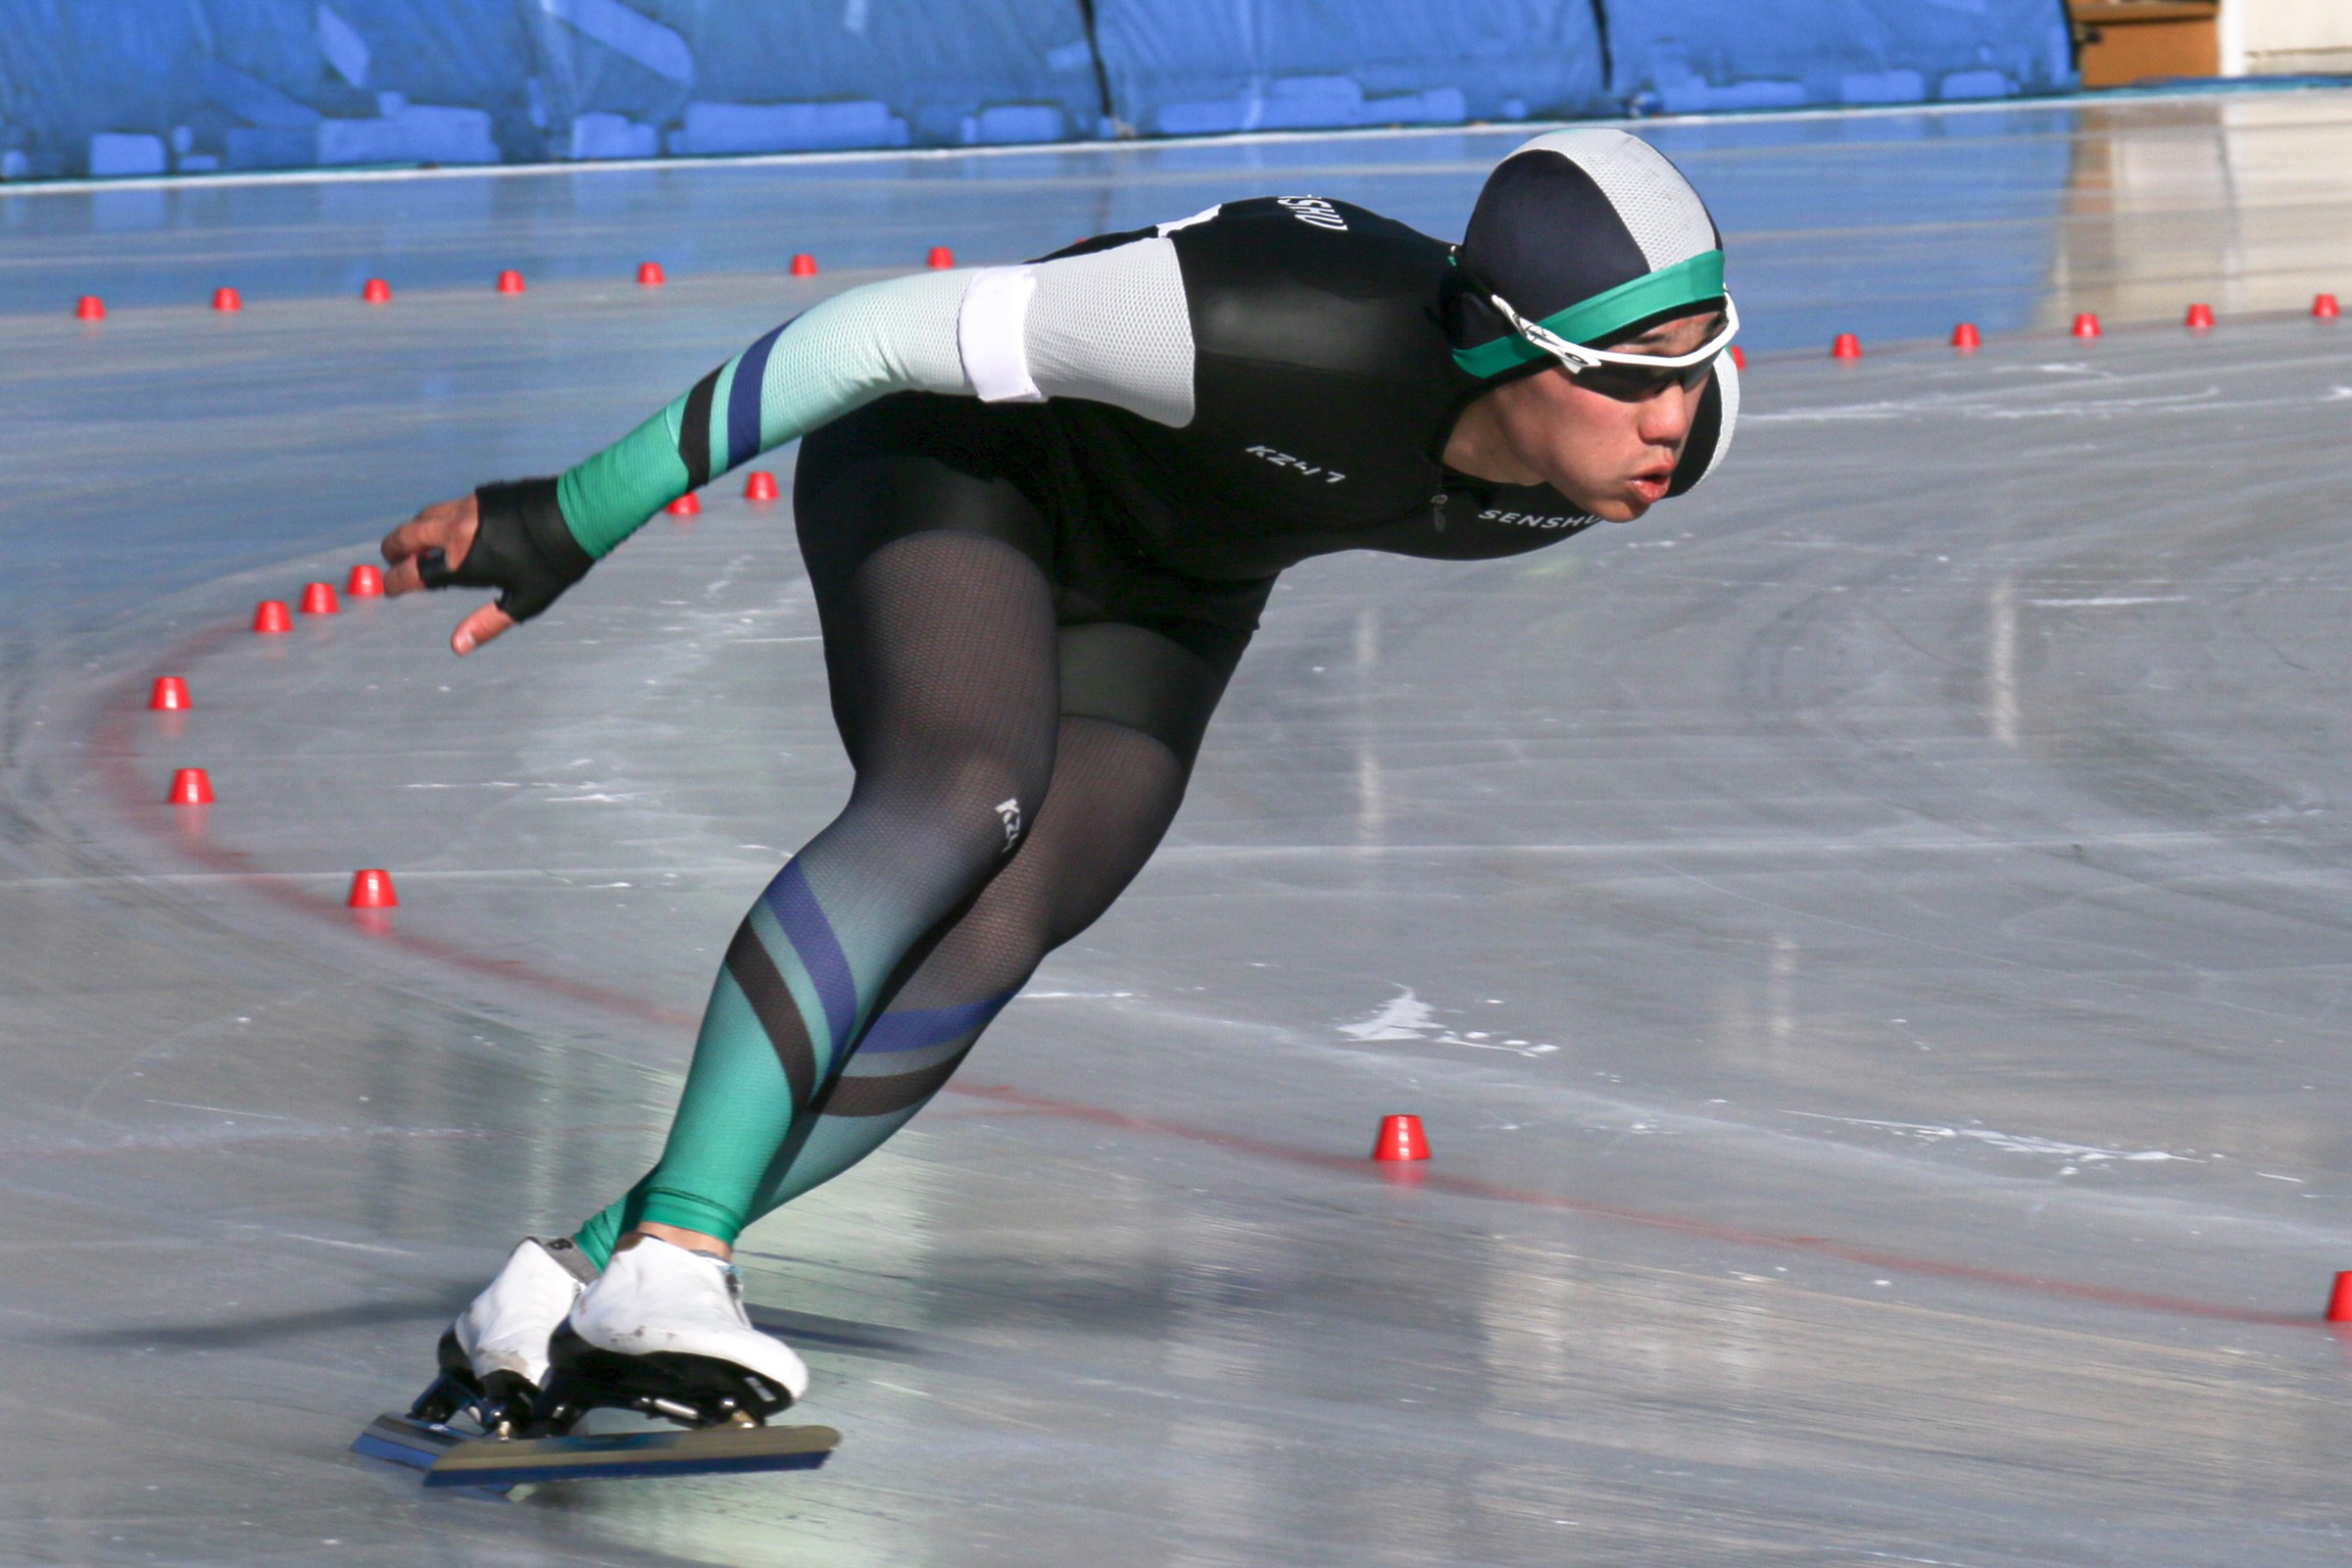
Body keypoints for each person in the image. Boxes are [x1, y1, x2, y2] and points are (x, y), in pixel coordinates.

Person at [383, 127, 1741, 1433]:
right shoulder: (1259, 319)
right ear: (1506, 343)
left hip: (1177, 581)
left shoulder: (1683, 434)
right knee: (962, 791)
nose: (1672, 419)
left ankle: (568, 1281)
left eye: (1699, 362)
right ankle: (679, 1254)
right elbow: (862, 337)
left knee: (1009, 912)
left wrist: (1664, 379)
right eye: (1634, 378)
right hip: (965, 463)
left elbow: (1670, 389)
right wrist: (571, 514)